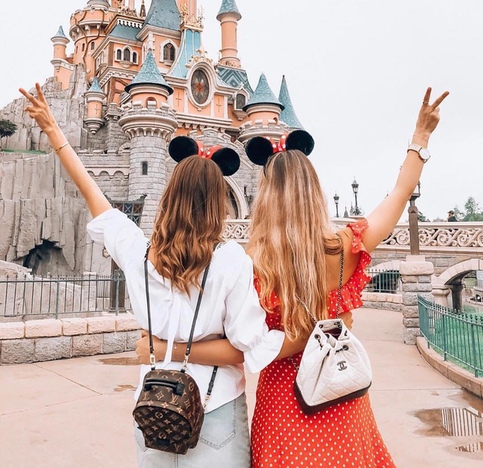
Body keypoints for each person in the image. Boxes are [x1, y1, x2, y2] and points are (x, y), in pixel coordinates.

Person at [137, 86, 449, 467]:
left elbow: (238, 345)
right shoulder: (344, 249)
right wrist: (420, 138)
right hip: (339, 397)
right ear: (314, 191)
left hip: (283, 411)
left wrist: (163, 348)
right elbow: (400, 194)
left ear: (267, 196)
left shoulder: (251, 264)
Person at [19, 82, 315, 468]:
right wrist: (310, 331)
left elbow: (96, 200)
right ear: (219, 203)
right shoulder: (230, 260)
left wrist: (54, 133)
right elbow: (247, 346)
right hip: (215, 409)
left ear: (170, 196)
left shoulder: (139, 254)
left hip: (154, 408)